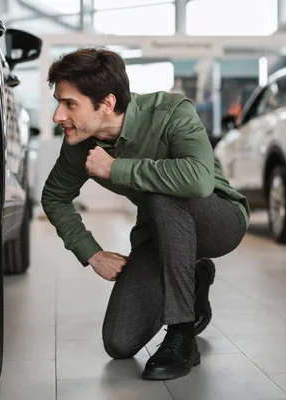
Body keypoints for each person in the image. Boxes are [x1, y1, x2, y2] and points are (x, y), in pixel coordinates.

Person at [41, 47, 249, 381]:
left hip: (220, 221)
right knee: (119, 343)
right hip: (160, 235)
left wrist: (117, 168)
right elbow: (54, 198)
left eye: (69, 104)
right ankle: (196, 280)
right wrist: (91, 253)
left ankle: (182, 334)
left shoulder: (170, 111)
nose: (58, 116)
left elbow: (197, 180)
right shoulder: (79, 144)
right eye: (58, 103)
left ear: (106, 103)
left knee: (163, 190)